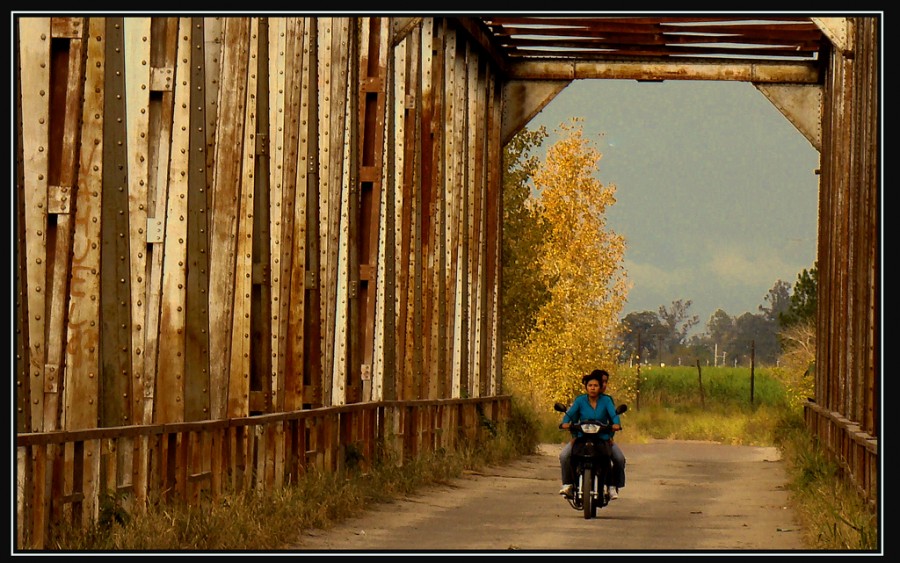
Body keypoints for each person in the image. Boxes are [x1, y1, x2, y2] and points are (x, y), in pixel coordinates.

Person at [558, 369, 626, 500]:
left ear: (600, 387)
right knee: (564, 455)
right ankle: (568, 484)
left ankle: (611, 486)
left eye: (596, 386)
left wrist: (616, 424)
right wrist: (565, 423)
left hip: (603, 438)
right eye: (590, 386)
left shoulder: (606, 401)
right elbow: (570, 414)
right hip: (581, 437)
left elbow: (613, 415)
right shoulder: (580, 400)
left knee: (618, 459)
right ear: (586, 387)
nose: (593, 388)